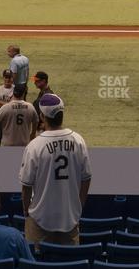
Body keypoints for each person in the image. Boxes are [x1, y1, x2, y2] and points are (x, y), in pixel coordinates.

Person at [20, 94, 92, 245]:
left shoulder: (34, 146)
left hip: (40, 219)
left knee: (36, 262)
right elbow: (86, 178)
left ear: (42, 116)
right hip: (69, 218)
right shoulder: (78, 140)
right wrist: (78, 206)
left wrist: (26, 211)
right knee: (69, 262)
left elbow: (26, 186)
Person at [0, 83, 38, 147]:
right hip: (24, 143)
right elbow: (36, 121)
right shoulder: (30, 107)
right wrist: (33, 133)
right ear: (24, 93)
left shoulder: (6, 107)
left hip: (8, 144)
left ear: (13, 93)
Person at [0, 71, 15, 145]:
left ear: (12, 78)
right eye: (6, 77)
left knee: (11, 139)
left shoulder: (16, 89)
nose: (7, 80)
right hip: (0, 116)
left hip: (11, 118)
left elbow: (14, 106)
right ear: (3, 78)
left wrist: (1, 103)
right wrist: (8, 104)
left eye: (9, 77)